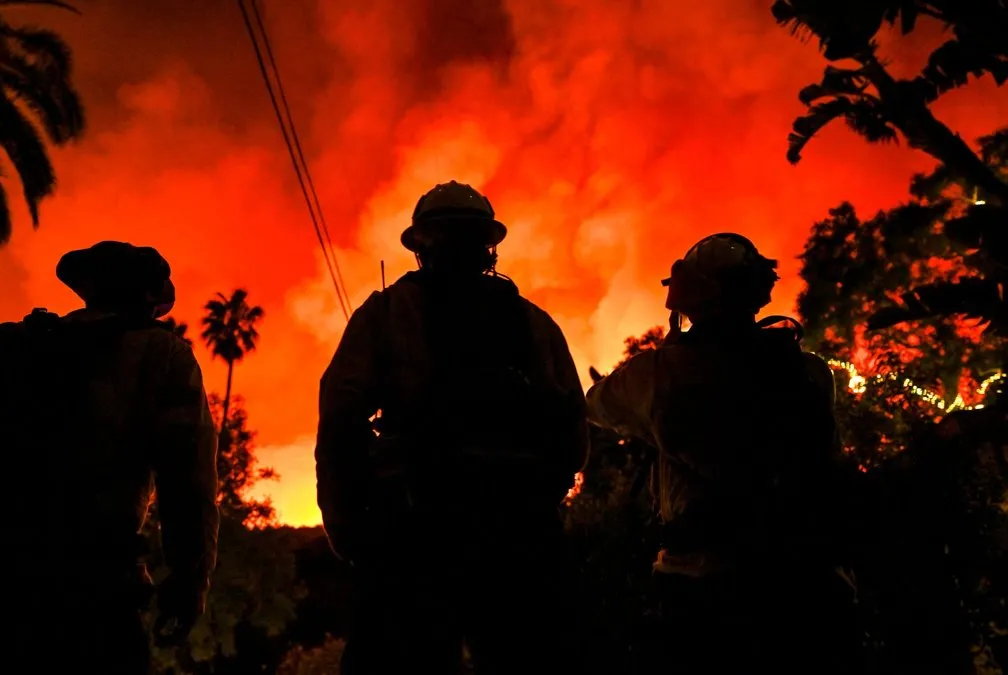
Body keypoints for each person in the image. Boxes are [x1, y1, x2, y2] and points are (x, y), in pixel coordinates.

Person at [0, 241, 218, 675]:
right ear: (152, 299)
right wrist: (190, 581)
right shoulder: (163, 355)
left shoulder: (13, 348)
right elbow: (189, 483)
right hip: (91, 605)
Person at [315, 181, 589, 675]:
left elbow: (340, 422)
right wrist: (540, 504)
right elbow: (573, 435)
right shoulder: (534, 323)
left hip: (415, 535)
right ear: (490, 245)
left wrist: (346, 522)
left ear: (420, 244)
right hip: (518, 537)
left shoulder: (387, 314)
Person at [586, 233, 859, 674]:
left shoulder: (658, 374)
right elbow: (828, 463)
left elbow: (596, 404)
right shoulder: (809, 372)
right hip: (806, 579)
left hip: (702, 584)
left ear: (687, 299)